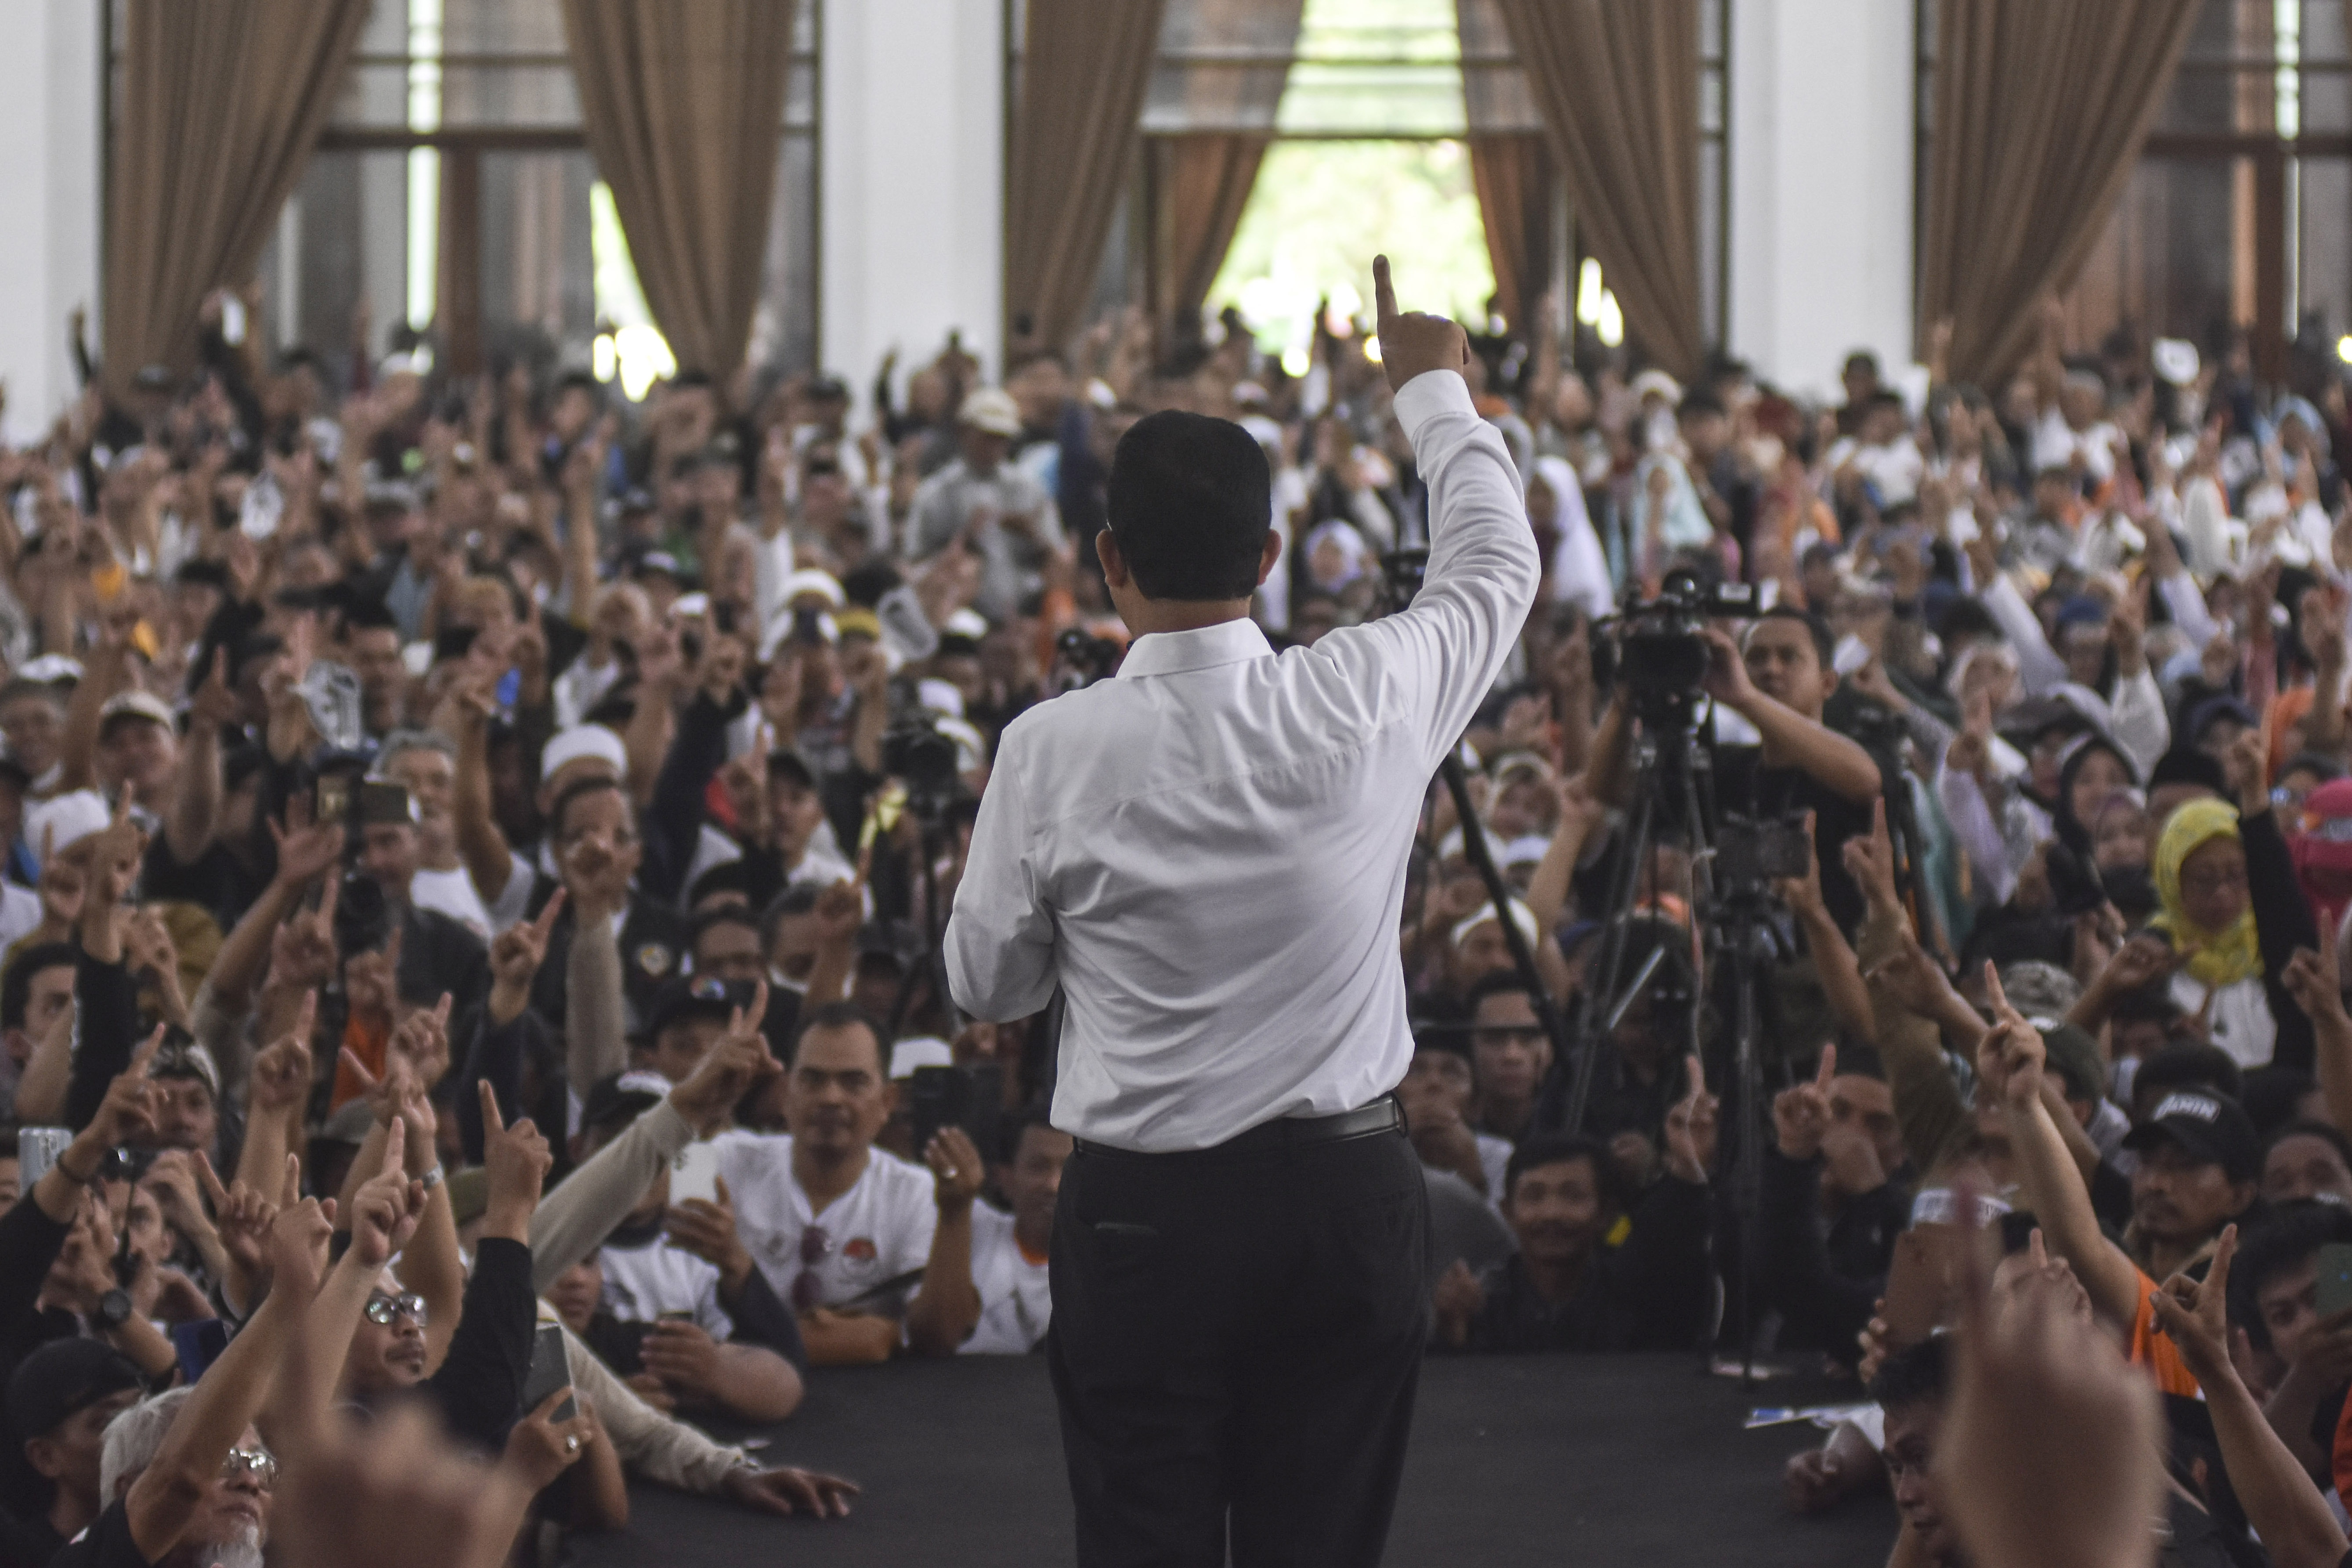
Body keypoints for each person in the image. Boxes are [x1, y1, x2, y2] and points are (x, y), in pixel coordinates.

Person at [946, 256, 1538, 1566]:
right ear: (1270, 557)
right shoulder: (1367, 693)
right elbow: (1499, 564)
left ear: (1108, 558)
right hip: (1344, 1197)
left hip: (1143, 1217)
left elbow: (988, 986)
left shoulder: (1048, 749)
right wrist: (1432, 389)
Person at [1431, 1108, 1715, 1353]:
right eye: (1534, 1196)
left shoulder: (1636, 1298)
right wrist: (1454, 1335)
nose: (1552, 1213)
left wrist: (1688, 1165)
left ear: (1606, 1213)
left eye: (1573, 1196)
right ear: (1509, 1212)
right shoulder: (1483, 1304)